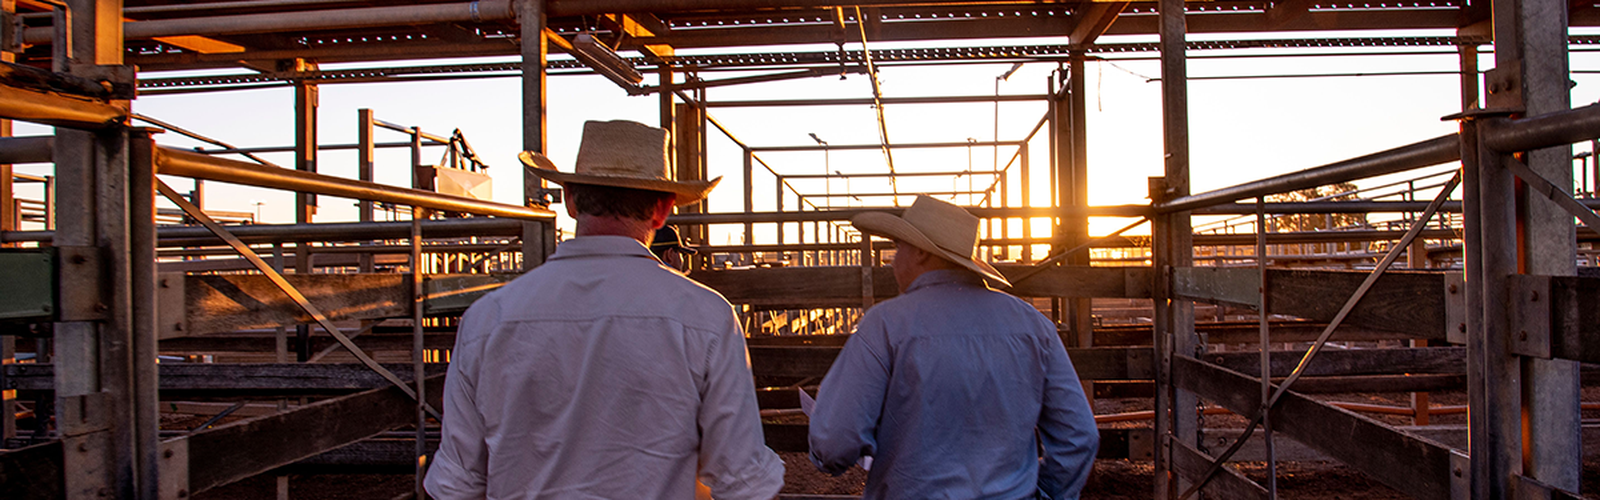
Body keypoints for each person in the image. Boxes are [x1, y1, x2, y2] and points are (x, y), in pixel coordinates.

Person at [425, 120, 784, 500]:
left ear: (571, 200)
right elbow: (742, 481)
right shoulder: (706, 317)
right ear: (662, 210)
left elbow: (457, 483)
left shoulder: (488, 318)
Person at [807, 194, 1099, 500]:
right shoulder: (1033, 326)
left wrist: (832, 457)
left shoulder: (885, 325)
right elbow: (1079, 436)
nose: (894, 260)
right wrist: (1049, 493)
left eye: (898, 247)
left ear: (920, 252)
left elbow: (834, 443)